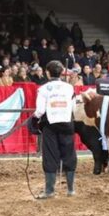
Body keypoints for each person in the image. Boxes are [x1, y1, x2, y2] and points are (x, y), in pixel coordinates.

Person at [32, 61, 77, 199]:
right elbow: (74, 108)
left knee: (51, 155)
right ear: (62, 72)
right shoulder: (69, 88)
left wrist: (33, 118)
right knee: (69, 154)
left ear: (47, 72)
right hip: (67, 123)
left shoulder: (44, 89)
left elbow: (40, 110)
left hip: (50, 125)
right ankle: (70, 189)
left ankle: (50, 190)